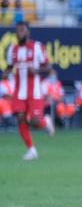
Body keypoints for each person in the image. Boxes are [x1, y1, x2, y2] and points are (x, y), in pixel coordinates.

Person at [3, 22, 55, 160]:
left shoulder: (37, 47)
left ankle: (46, 122)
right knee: (20, 118)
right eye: (17, 31)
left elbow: (49, 68)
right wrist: (4, 73)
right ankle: (31, 150)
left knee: (35, 122)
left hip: (35, 92)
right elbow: (9, 67)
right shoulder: (12, 50)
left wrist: (36, 70)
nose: (19, 33)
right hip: (19, 91)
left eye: (22, 31)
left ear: (28, 32)